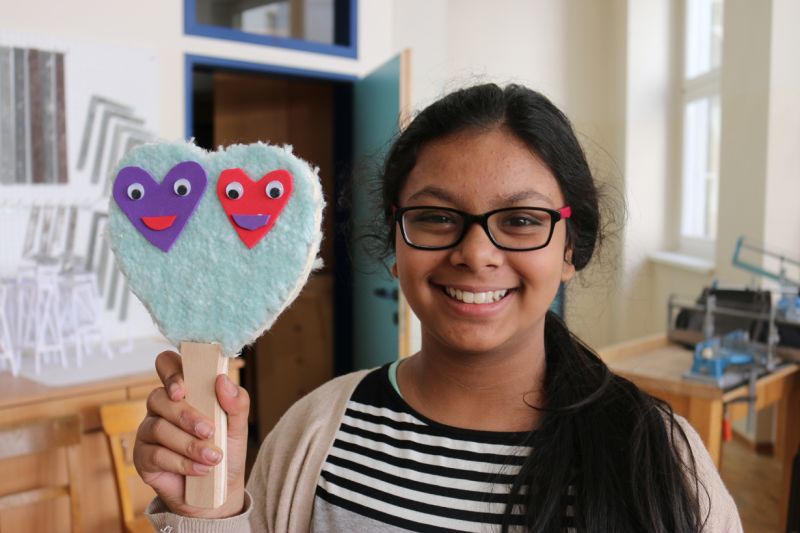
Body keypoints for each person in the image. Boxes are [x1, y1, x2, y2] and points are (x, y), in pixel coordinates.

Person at [135, 83, 742, 532]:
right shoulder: (313, 433)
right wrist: (207, 509)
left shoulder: (660, 457)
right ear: (395, 247)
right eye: (436, 218)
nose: (476, 253)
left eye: (521, 220)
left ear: (570, 248)